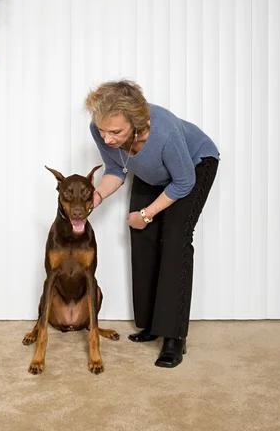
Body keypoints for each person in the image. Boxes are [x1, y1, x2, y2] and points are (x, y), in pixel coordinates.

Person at [84, 79, 219, 368]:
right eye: (102, 130)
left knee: (174, 239)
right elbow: (115, 169)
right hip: (154, 172)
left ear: (135, 122)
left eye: (115, 132)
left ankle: (173, 337)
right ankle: (151, 325)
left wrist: (147, 213)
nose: (107, 138)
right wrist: (96, 197)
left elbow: (183, 183)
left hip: (194, 166)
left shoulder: (165, 132)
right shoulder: (102, 129)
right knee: (141, 237)